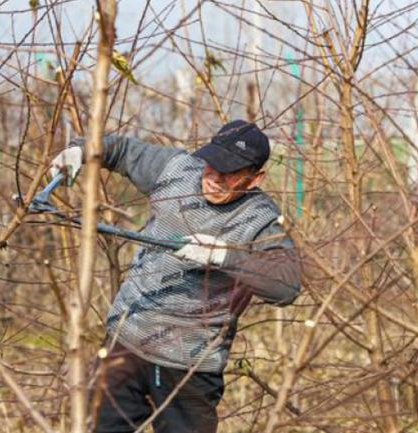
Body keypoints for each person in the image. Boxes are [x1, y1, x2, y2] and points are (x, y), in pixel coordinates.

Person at [49, 119, 302, 433]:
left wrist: (223, 256)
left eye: (230, 173)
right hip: (126, 342)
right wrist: (80, 150)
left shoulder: (259, 219)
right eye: (212, 165)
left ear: (255, 178)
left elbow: (287, 285)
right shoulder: (177, 170)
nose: (214, 178)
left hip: (190, 366)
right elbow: (123, 149)